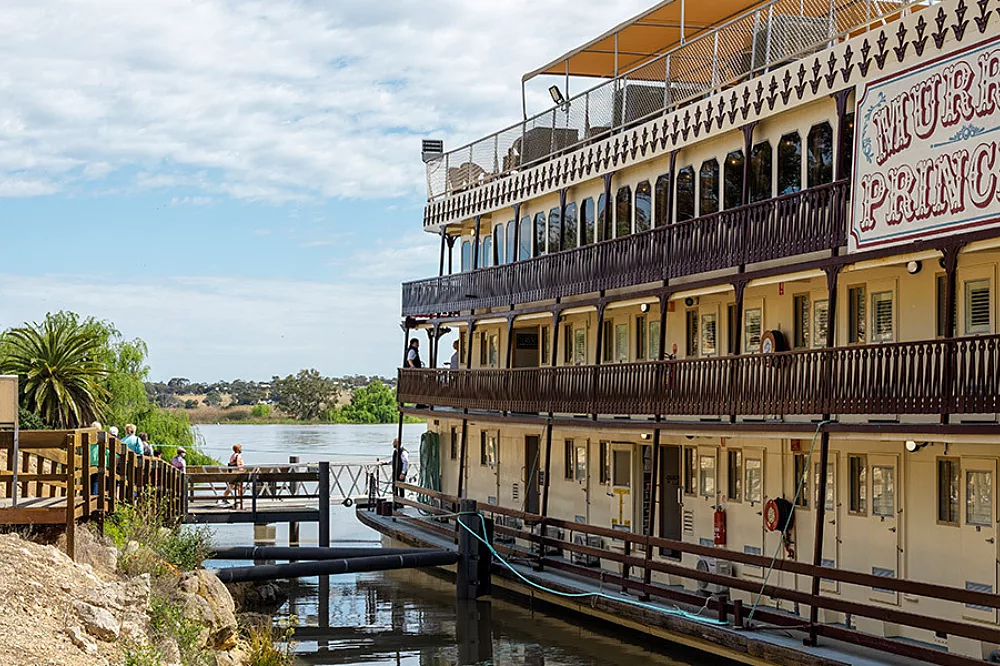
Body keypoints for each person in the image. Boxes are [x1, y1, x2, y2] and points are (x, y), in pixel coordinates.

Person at [223, 444, 245, 510]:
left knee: (232, 486)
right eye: (240, 448)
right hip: (237, 474)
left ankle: (224, 497)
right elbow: (238, 465)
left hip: (232, 473)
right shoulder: (238, 456)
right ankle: (240, 500)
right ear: (238, 449)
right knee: (239, 487)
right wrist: (242, 469)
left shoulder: (232, 455)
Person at [391, 438, 409, 505]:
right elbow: (394, 461)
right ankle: (395, 502)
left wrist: (403, 473)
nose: (393, 444)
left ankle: (401, 503)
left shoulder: (403, 452)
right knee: (394, 487)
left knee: (401, 488)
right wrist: (387, 462)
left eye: (394, 442)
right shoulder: (395, 451)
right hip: (395, 472)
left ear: (398, 443)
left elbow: (405, 462)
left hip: (400, 473)